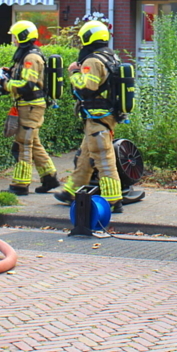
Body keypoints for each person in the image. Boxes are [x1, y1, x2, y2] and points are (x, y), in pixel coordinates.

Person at [52, 20, 125, 212]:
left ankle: (113, 198)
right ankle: (71, 191)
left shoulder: (93, 60)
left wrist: (74, 72)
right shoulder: (110, 57)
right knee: (85, 155)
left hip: (97, 116)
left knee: (103, 157)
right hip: (104, 115)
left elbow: (86, 88)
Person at [0, 20, 59, 196]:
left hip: (31, 106)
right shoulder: (24, 56)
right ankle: (49, 177)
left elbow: (27, 85)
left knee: (23, 144)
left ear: (24, 37)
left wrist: (5, 83)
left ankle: (20, 184)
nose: (14, 41)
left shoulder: (31, 58)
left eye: (16, 37)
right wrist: (8, 76)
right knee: (34, 143)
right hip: (27, 105)